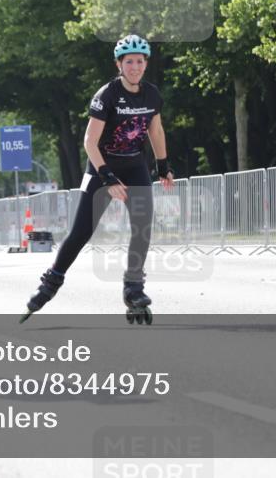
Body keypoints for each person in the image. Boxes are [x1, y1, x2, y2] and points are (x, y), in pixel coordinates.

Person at [21, 34, 175, 325]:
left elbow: (156, 131)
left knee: (142, 228)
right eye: (129, 62)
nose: (135, 67)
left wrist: (163, 164)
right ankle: (51, 281)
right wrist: (107, 178)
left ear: (145, 64)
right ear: (118, 64)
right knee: (81, 232)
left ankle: (134, 288)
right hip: (101, 167)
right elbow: (90, 142)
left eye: (140, 61)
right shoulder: (107, 95)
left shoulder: (151, 94)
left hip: (134, 167)